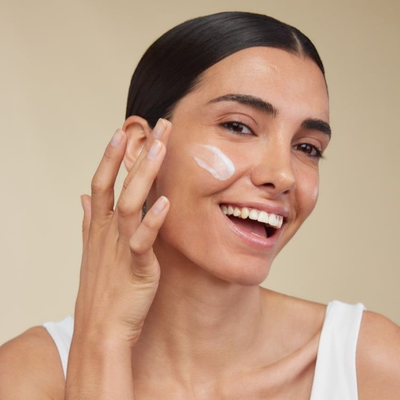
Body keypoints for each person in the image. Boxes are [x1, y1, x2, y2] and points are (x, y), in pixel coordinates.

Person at [0, 11, 399, 400]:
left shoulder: (372, 365)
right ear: (143, 147)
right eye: (238, 126)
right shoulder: (26, 377)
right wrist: (102, 342)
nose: (283, 175)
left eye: (307, 147)